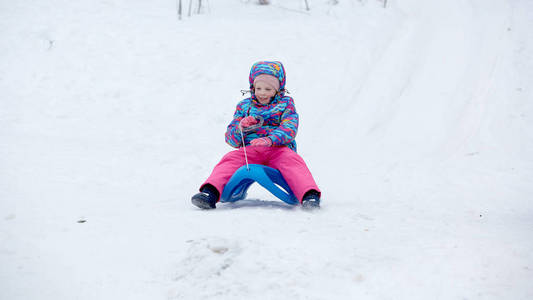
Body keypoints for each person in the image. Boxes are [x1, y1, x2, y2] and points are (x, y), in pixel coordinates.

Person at [191, 61, 321, 210]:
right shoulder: (244, 106)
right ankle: (210, 193)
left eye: (268, 88)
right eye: (258, 88)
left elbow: (289, 127)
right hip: (250, 152)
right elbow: (230, 139)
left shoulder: (286, 104)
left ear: (278, 90)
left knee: (292, 162)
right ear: (252, 87)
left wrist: (270, 140)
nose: (262, 93)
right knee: (229, 160)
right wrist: (241, 127)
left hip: (278, 150)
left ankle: (309, 195)